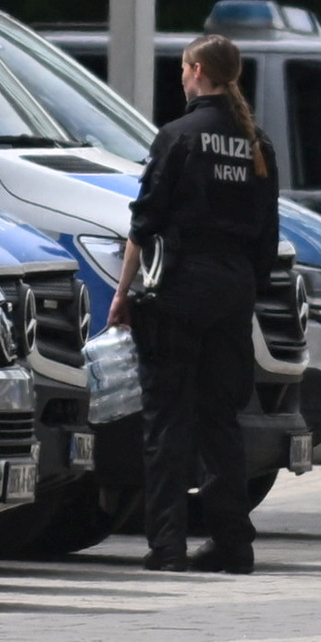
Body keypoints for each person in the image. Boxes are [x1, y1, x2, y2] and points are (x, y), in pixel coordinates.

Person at [120, 29, 278, 574]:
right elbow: (267, 233)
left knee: (167, 421)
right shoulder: (257, 143)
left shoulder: (177, 136)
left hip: (180, 287)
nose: (182, 76)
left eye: (185, 68)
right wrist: (246, 289)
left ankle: (167, 546)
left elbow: (144, 222)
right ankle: (233, 545)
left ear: (198, 72)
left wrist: (121, 295)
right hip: (233, 289)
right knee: (221, 420)